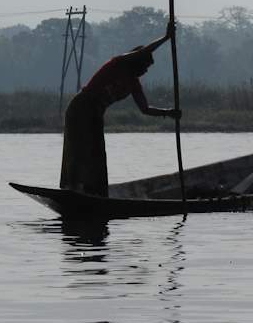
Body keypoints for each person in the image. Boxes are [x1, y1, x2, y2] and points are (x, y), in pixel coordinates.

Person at [60, 23, 180, 196]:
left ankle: (93, 192)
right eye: (145, 66)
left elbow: (145, 109)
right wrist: (166, 38)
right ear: (137, 61)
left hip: (95, 114)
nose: (145, 71)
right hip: (81, 108)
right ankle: (74, 189)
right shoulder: (118, 63)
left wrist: (169, 113)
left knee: (97, 153)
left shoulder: (134, 83)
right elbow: (143, 51)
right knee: (80, 150)